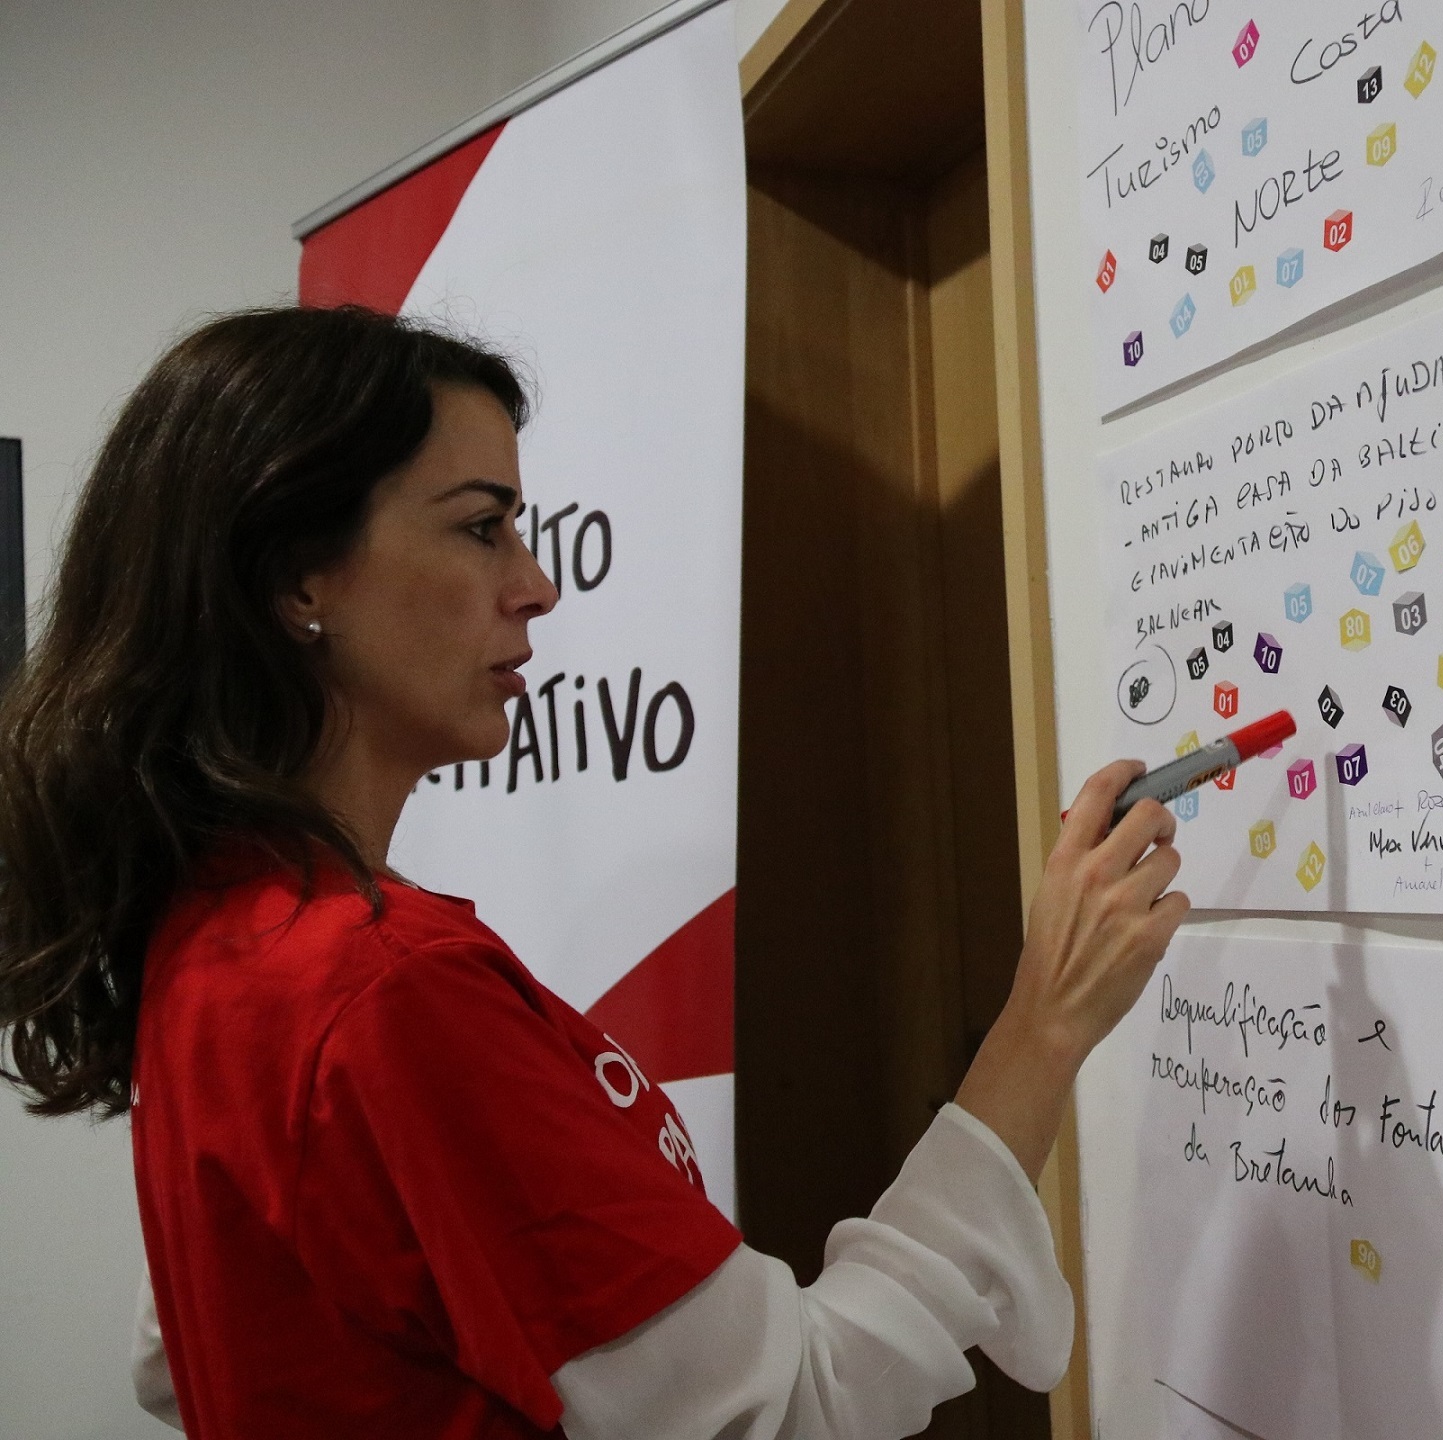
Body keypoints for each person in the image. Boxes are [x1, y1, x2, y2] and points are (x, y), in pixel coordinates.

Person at [0, 306, 1188, 1438]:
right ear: (297, 576)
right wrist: (1045, 1024)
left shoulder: (218, 932)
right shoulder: (383, 991)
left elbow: (183, 1359)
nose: (536, 584)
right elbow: (797, 1410)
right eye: (481, 528)